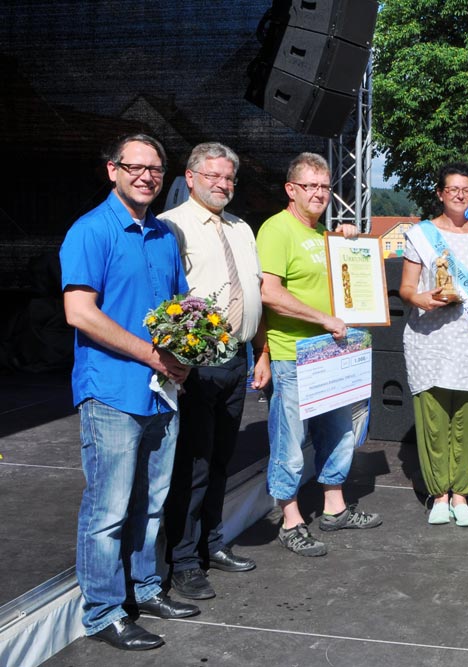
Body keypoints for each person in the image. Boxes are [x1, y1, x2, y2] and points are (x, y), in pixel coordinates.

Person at [60, 134, 198, 651]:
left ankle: (145, 588)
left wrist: (192, 345)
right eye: (134, 167)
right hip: (113, 393)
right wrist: (151, 355)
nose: (146, 176)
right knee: (108, 512)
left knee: (153, 504)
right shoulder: (90, 231)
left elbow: (179, 308)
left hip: (162, 392)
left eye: (155, 169)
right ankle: (102, 613)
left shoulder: (163, 234)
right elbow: (80, 312)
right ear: (112, 171)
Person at [160, 142, 270, 601]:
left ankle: (212, 544)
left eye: (229, 178)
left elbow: (255, 293)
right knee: (194, 465)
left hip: (238, 358)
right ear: (190, 177)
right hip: (196, 364)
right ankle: (184, 562)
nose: (222, 185)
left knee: (223, 459)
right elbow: (165, 297)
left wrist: (261, 352)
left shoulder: (242, 227)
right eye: (213, 177)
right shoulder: (171, 227)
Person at [257, 152, 379, 556]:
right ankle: (290, 520)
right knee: (290, 446)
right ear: (291, 189)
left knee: (341, 434)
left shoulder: (323, 234)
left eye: (325, 187)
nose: (319, 194)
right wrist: (323, 319)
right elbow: (269, 293)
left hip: (332, 355)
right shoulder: (277, 229)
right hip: (293, 354)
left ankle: (335, 508)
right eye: (310, 186)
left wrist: (346, 244)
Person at [399, 162, 468, 526]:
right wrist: (423, 298)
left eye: (466, 190)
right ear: (440, 193)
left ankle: (462, 494)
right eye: (453, 189)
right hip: (430, 342)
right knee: (434, 420)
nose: (460, 195)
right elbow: (405, 290)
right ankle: (439, 495)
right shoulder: (421, 234)